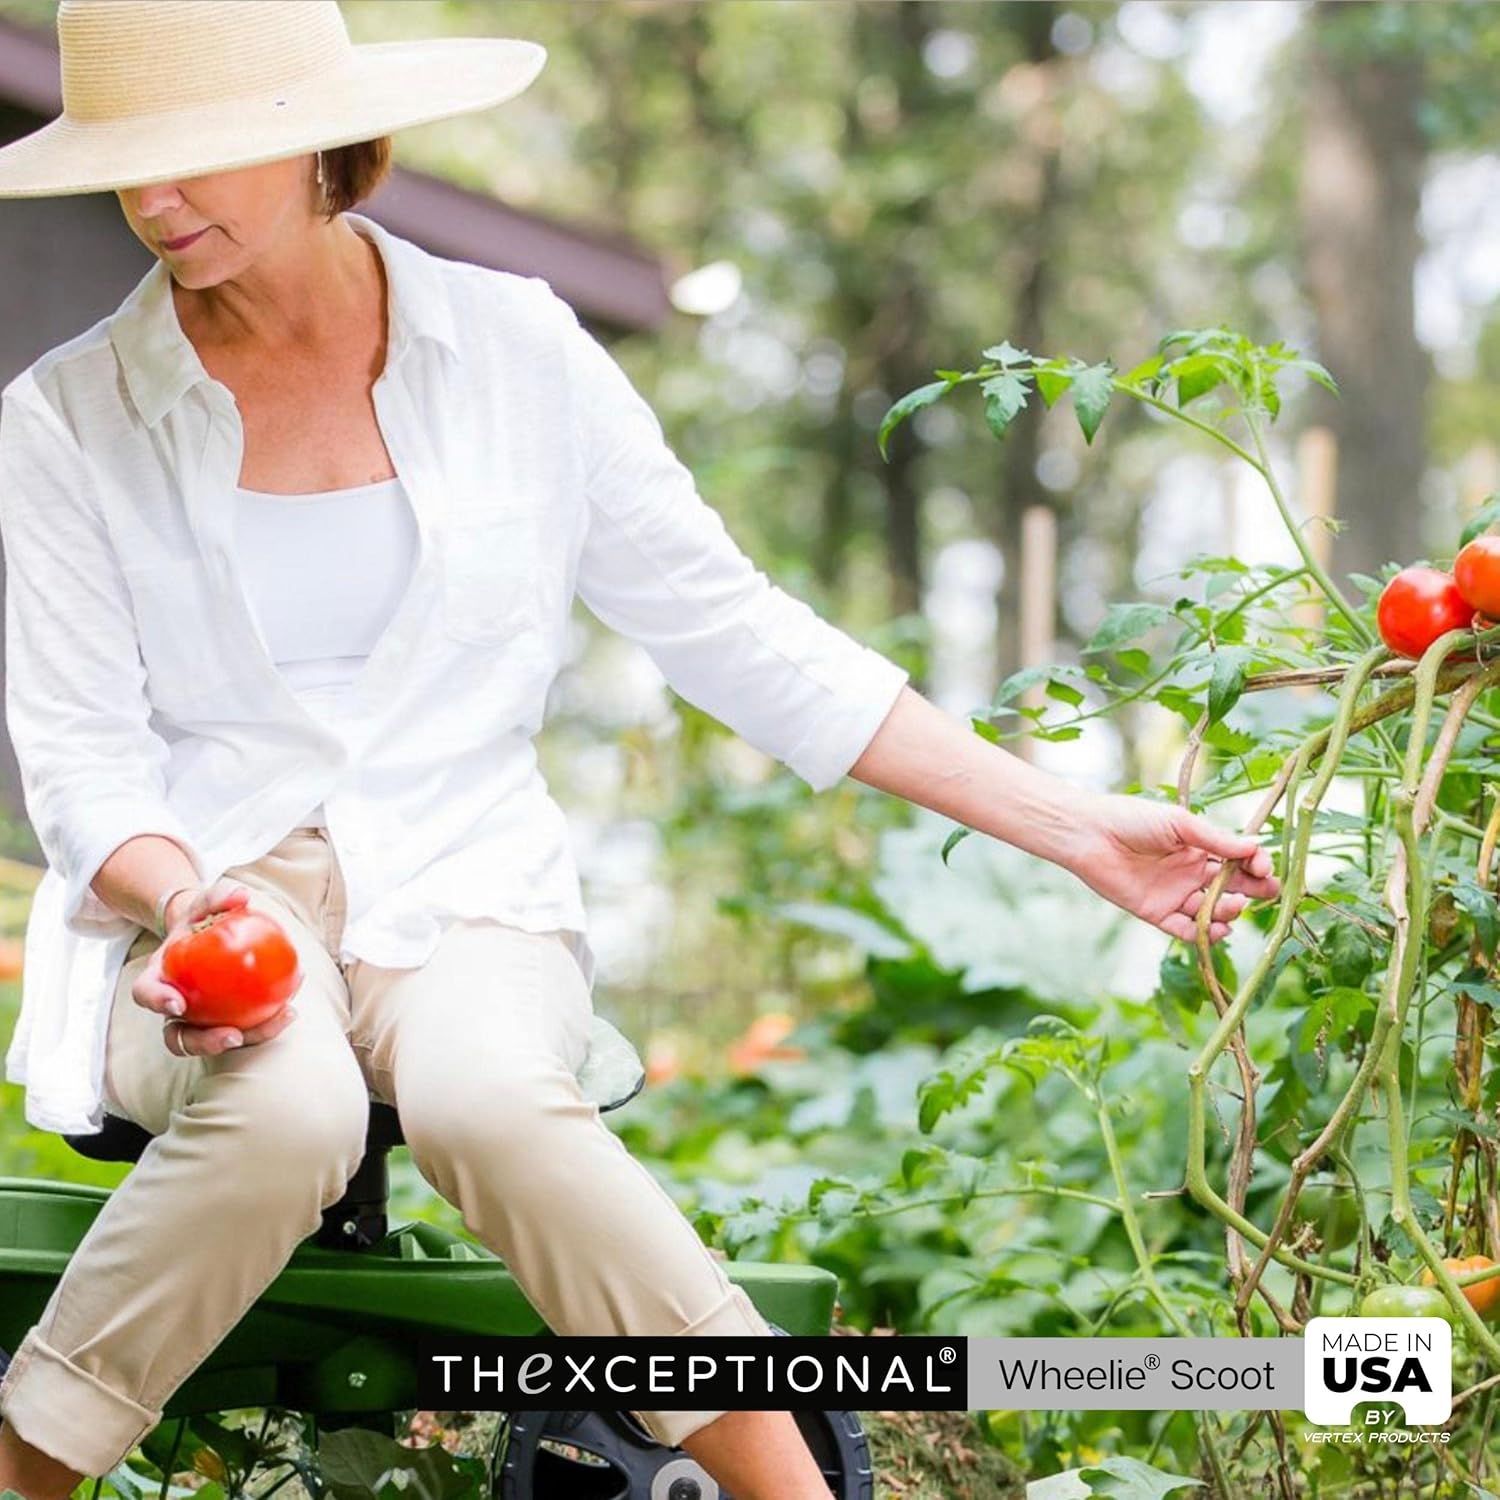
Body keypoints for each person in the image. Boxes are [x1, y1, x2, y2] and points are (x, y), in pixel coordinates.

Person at [0, 3, 1281, 1498]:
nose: (154, 203)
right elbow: (83, 759)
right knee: (285, 1110)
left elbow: (742, 638)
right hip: (201, 895)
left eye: (196, 158)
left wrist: (1073, 825)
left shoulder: (517, 354)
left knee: (488, 1092)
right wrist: (184, 908)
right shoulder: (62, 421)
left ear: (313, 140)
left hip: (463, 883)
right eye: (124, 165)